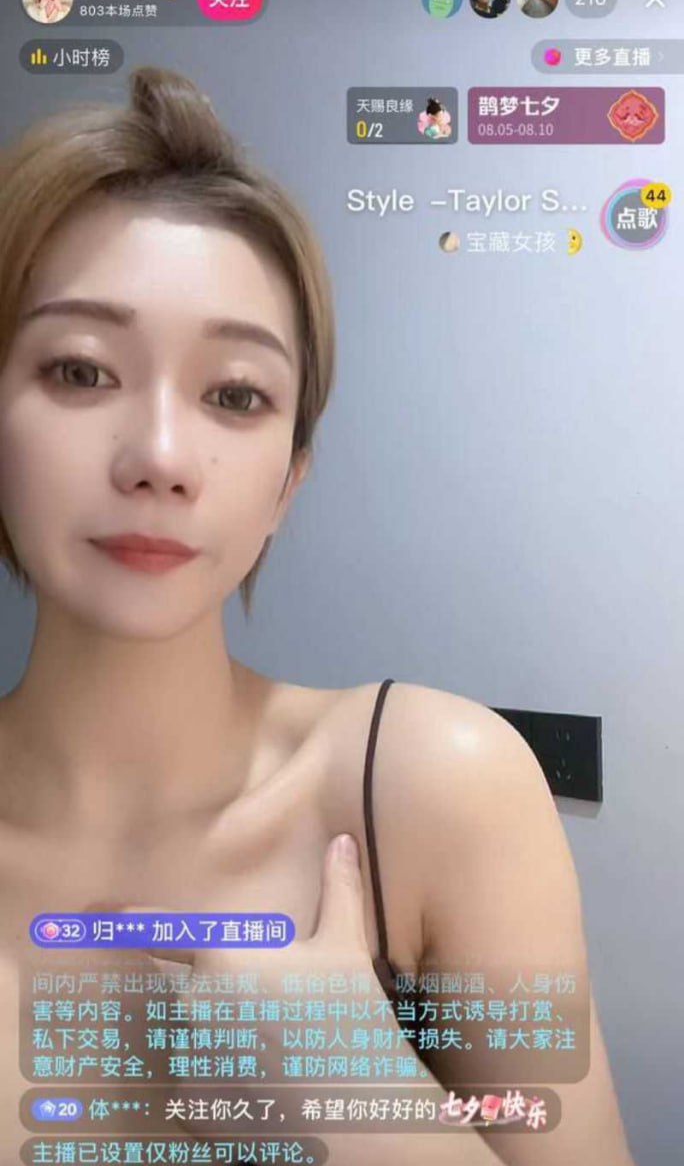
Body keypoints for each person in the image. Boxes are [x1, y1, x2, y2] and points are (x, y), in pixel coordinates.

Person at [0, 66, 635, 1164]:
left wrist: (359, 1096)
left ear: (288, 481)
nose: (159, 457)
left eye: (235, 394)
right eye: (81, 370)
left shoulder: (434, 786)